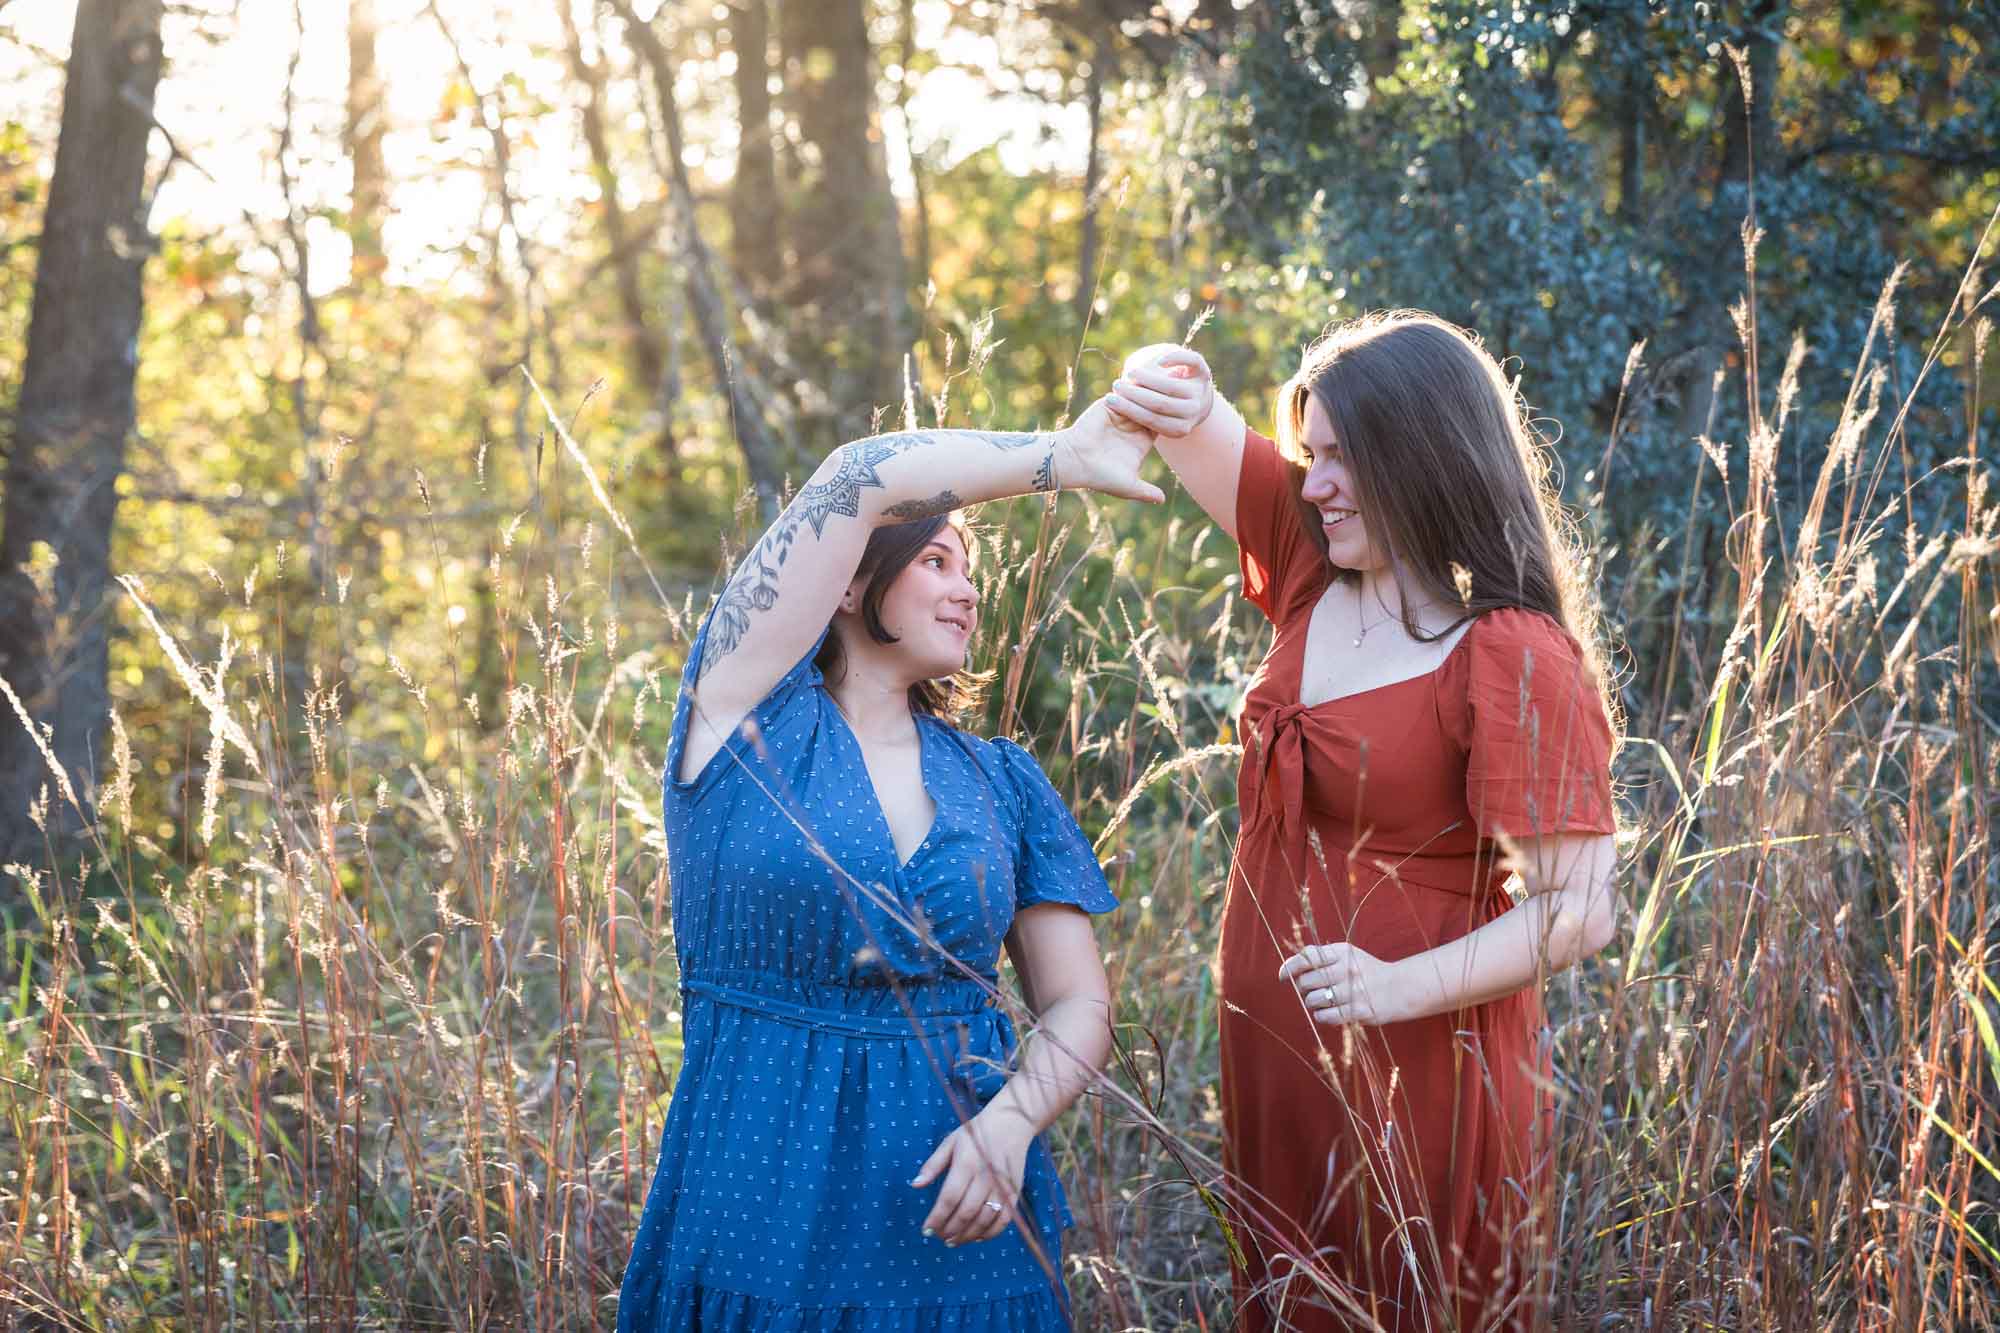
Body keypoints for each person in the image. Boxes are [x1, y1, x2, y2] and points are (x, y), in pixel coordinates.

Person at [1104, 312, 1621, 1331]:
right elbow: (1183, 414)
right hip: (1279, 1063)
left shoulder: (1510, 650)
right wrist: (1158, 375)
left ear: (1422, 460)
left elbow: (1579, 909)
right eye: (1308, 454)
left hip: (1422, 1068)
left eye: (1342, 458)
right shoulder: (1313, 572)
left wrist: (1393, 988)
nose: (1312, 484)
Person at [617, 405, 1160, 1331]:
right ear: (847, 580)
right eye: (936, 561)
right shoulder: (741, 721)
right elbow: (856, 473)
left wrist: (1014, 1123)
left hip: (962, 1219)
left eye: (973, 572)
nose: (967, 591)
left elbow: (1079, 1001)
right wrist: (1066, 457)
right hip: (756, 1214)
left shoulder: (1003, 783)